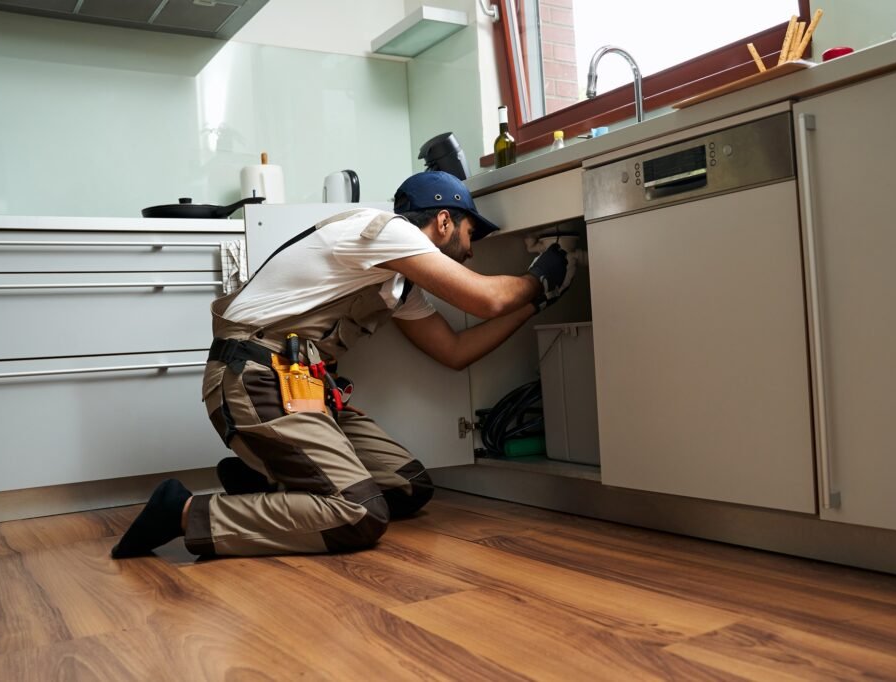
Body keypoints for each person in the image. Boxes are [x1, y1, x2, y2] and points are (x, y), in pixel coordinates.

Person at [112, 171, 574, 558]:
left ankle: (268, 482)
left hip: (301, 388)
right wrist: (539, 278)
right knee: (361, 514)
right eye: (472, 234)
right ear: (444, 220)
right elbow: (488, 298)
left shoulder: (399, 283)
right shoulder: (387, 232)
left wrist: (532, 307)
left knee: (408, 486)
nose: (472, 250)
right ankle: (186, 511)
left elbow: (455, 352)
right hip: (251, 379)